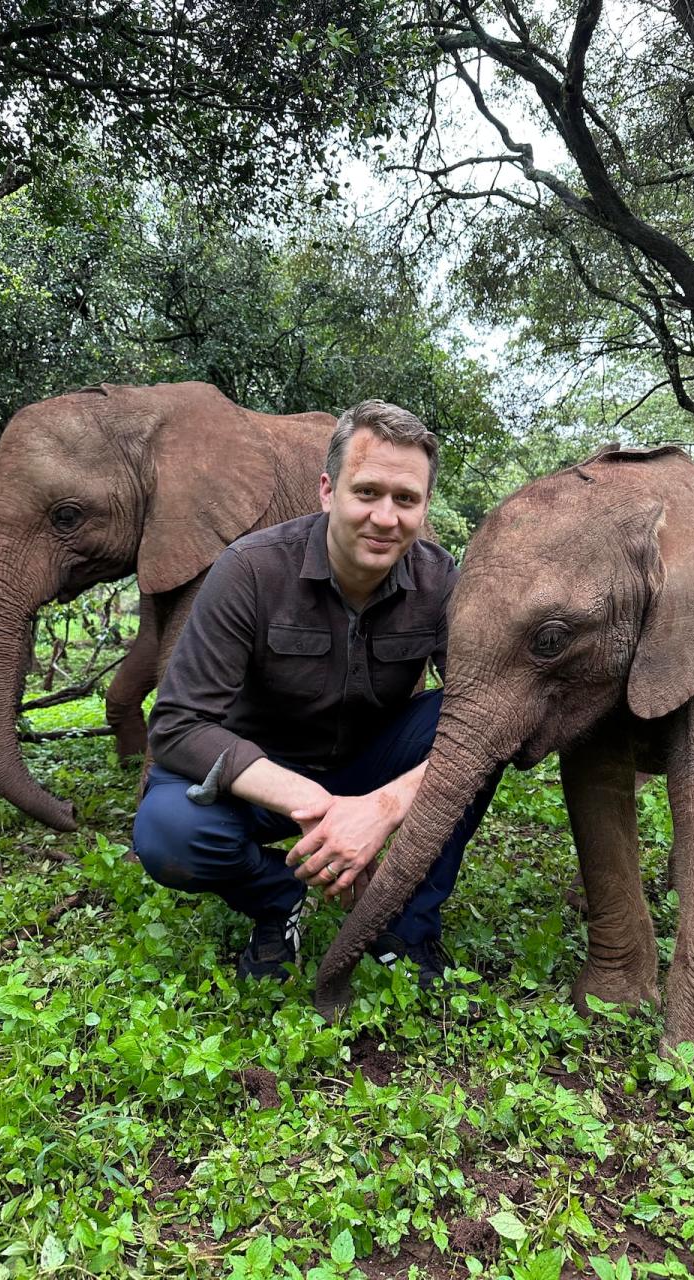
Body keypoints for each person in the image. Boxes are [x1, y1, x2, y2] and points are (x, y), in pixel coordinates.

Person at [132, 400, 500, 987]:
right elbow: (178, 726)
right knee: (170, 831)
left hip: (365, 763)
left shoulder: (439, 583)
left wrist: (380, 810)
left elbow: (483, 725)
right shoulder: (251, 571)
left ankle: (405, 922)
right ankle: (278, 897)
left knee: (469, 725)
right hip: (260, 775)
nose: (385, 517)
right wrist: (323, 810)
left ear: (424, 507)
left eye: (406, 499)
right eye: (367, 492)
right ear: (328, 491)